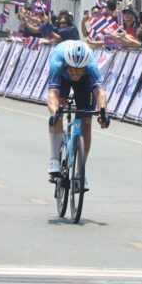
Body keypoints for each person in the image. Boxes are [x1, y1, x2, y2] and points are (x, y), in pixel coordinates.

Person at [46, 41, 109, 188]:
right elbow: (52, 94)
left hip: (85, 83)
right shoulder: (58, 62)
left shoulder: (91, 66)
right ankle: (54, 159)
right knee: (58, 112)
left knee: (86, 122)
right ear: (67, 65)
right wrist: (54, 112)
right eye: (73, 71)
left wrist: (103, 112)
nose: (75, 75)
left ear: (85, 67)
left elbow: (100, 92)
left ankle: (81, 172)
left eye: (79, 71)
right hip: (63, 79)